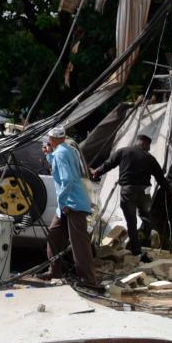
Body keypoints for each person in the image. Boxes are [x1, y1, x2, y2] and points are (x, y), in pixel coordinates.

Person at [91, 132, 172, 258]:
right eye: (149, 146)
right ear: (144, 144)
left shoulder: (123, 152)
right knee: (145, 214)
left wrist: (97, 172)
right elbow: (160, 178)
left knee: (131, 221)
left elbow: (108, 164)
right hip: (145, 190)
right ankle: (152, 230)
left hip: (128, 190)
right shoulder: (150, 158)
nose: (149, 149)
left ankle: (136, 251)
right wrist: (171, 191)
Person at [44, 124, 101, 290]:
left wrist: (63, 204)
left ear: (53, 139)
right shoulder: (67, 150)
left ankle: (89, 281)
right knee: (54, 235)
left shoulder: (62, 153)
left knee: (79, 244)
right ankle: (54, 272)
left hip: (72, 203)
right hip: (70, 202)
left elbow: (67, 179)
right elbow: (58, 167)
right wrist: (49, 155)